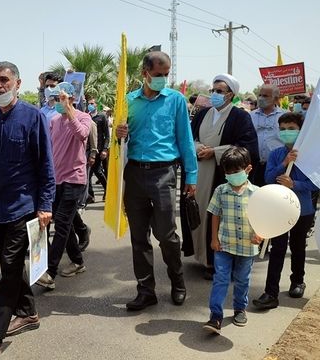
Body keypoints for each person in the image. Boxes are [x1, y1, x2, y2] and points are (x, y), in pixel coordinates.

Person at [0, 61, 55, 360]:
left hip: (23, 208)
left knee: (7, 273)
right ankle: (29, 312)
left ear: (18, 84)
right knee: (12, 267)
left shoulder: (33, 117)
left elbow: (46, 165)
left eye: (4, 80)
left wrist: (45, 205)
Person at [115, 51, 196, 311]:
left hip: (164, 174)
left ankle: (177, 281)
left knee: (166, 234)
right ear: (144, 73)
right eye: (158, 74)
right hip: (135, 174)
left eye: (166, 74)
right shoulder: (127, 102)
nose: (162, 79)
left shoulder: (176, 100)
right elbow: (118, 145)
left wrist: (191, 176)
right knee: (139, 237)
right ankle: (146, 290)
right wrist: (118, 134)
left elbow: (185, 140)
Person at [187, 74, 259, 280]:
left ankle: (217, 261)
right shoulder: (202, 114)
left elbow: (248, 147)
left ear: (230, 95)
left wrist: (216, 152)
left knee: (219, 216)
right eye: (213, 90)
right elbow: (190, 137)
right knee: (199, 213)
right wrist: (198, 147)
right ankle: (202, 256)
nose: (215, 94)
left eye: (220, 91)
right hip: (200, 173)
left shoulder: (240, 117)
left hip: (222, 175)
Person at [252, 113, 317, 310]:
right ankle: (270, 293)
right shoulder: (276, 154)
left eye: (291, 128)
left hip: (302, 210)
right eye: (283, 129)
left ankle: (298, 281)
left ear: (301, 130)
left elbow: (314, 183)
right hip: (278, 209)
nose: (287, 132)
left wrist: (294, 183)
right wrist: (284, 163)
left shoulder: (310, 156)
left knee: (298, 246)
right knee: (277, 248)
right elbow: (269, 177)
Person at [36, 81, 91, 289]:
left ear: (72, 99)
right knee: (64, 223)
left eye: (62, 99)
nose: (57, 103)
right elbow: (49, 149)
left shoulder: (83, 117)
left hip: (74, 179)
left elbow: (82, 135)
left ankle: (49, 272)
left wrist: (70, 112)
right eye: (56, 99)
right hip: (56, 179)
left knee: (61, 223)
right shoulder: (54, 120)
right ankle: (77, 261)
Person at [203, 147, 262, 334]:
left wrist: (261, 235)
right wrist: (214, 238)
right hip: (224, 244)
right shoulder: (221, 190)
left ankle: (239, 309)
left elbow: (265, 218)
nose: (231, 175)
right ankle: (215, 316)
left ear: (248, 169)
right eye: (227, 172)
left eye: (236, 171)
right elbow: (215, 214)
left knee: (242, 279)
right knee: (220, 279)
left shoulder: (257, 193)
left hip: (247, 246)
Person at [249, 84, 285, 187]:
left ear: (276, 99)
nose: (260, 98)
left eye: (265, 96)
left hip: (276, 167)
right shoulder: (250, 115)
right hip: (254, 165)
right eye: (259, 95)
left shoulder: (285, 116)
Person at [86, 97, 109, 201]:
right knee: (89, 174)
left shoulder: (102, 116)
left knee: (97, 172)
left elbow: (107, 135)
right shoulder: (86, 117)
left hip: (98, 149)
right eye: (88, 103)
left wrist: (105, 149)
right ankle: (90, 196)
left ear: (96, 105)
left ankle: (107, 191)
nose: (90, 105)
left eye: (92, 103)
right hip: (88, 149)